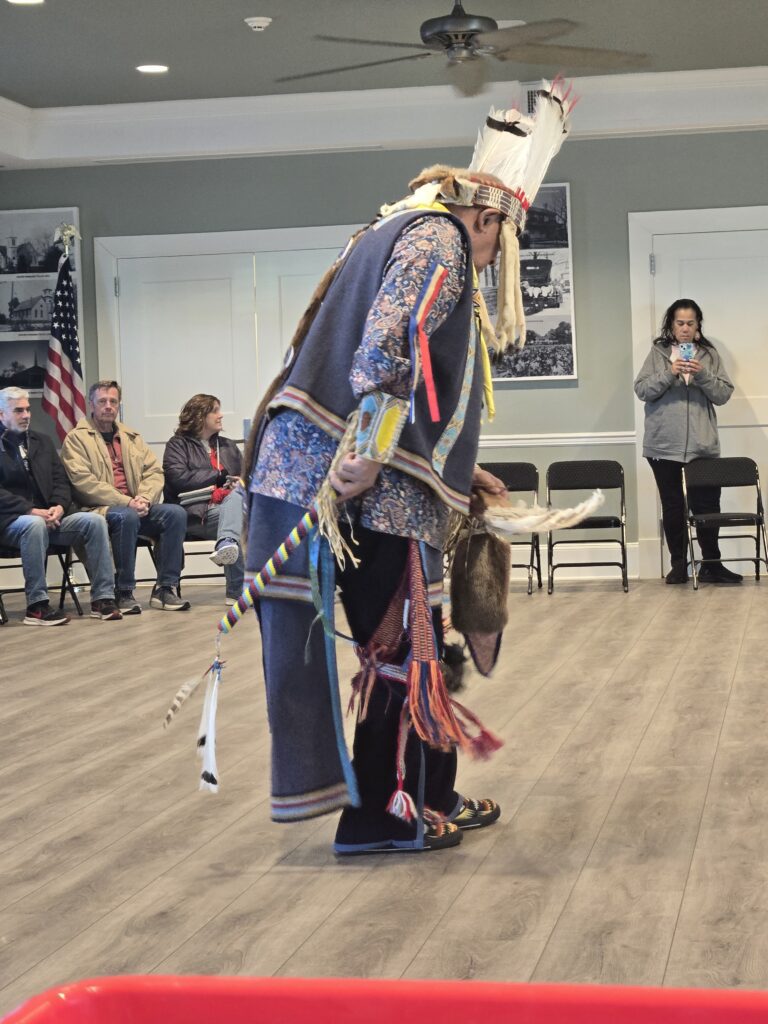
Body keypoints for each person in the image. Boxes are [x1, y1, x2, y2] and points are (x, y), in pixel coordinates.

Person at [243, 84, 574, 854]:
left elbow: (413, 374)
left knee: (413, 642)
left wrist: (458, 471)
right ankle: (379, 818)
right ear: (487, 218)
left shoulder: (398, 227)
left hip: (337, 470)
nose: (492, 262)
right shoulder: (441, 240)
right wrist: (366, 451)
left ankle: (428, 794)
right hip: (355, 483)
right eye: (501, 243)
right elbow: (385, 349)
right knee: (399, 650)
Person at [634, 298, 740, 585]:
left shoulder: (709, 354)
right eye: (679, 323)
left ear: (697, 326)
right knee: (673, 507)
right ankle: (679, 565)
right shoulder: (657, 353)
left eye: (690, 323)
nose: (684, 328)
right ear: (671, 325)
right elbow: (642, 390)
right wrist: (669, 372)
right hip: (662, 445)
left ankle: (711, 565)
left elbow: (723, 395)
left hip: (702, 446)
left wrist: (701, 374)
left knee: (708, 507)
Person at [60, 380, 191, 612]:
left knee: (175, 513)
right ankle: (123, 591)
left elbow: (154, 472)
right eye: (102, 401)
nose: (108, 406)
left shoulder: (131, 437)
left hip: (136, 505)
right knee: (126, 516)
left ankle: (165, 588)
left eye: (113, 401)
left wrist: (145, 498)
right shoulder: (76, 439)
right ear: (91, 404)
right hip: (99, 510)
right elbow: (83, 483)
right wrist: (127, 502)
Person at [0, 387, 121, 624]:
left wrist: (59, 506)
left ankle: (103, 598)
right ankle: (37, 606)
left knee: (94, 521)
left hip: (51, 518)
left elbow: (61, 481)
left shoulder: (42, 441)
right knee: (33, 524)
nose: (26, 415)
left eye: (28, 410)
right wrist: (30, 510)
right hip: (10, 523)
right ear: (2, 414)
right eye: (18, 411)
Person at [162, 394, 244, 605]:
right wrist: (217, 477)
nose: (221, 415)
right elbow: (178, 478)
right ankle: (238, 591)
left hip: (228, 509)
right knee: (240, 521)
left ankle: (227, 543)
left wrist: (240, 482)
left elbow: (248, 476)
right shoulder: (177, 445)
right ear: (200, 416)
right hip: (195, 513)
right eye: (215, 410)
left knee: (239, 504)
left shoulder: (227, 446)